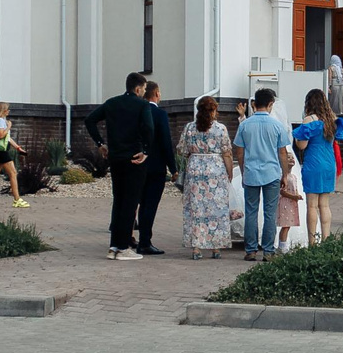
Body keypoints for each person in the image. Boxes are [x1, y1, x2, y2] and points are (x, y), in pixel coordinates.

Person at [91, 73, 156, 260]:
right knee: (131, 202)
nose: (144, 92)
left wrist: (100, 143)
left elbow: (90, 120)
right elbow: (149, 129)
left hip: (115, 158)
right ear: (138, 89)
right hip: (134, 159)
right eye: (143, 89)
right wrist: (146, 150)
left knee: (118, 200)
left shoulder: (111, 103)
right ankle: (123, 247)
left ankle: (113, 247)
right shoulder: (143, 105)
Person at [175, 97, 236, 259]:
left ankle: (196, 247)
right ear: (214, 110)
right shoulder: (220, 128)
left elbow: (181, 150)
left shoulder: (189, 128)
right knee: (216, 208)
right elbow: (227, 153)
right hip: (215, 169)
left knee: (196, 209)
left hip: (195, 169)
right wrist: (229, 171)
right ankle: (216, 247)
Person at [235, 87, 291, 260]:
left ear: (254, 104)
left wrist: (244, 170)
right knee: (270, 212)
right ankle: (268, 251)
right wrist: (285, 174)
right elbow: (282, 152)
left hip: (251, 173)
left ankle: (251, 250)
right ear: (270, 104)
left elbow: (240, 152)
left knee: (251, 211)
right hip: (271, 173)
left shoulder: (245, 125)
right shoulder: (277, 126)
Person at [293, 91, 343, 244]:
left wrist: (297, 138)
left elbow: (302, 146)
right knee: (325, 205)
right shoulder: (332, 120)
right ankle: (327, 239)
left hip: (313, 164)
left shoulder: (309, 120)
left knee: (312, 206)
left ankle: (312, 242)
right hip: (329, 163)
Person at [136, 80, 173, 254]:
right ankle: (145, 241)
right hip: (156, 166)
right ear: (157, 94)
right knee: (150, 205)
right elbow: (166, 142)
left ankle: (136, 238)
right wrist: (173, 168)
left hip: (137, 164)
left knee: (140, 203)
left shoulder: (136, 112)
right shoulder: (160, 115)